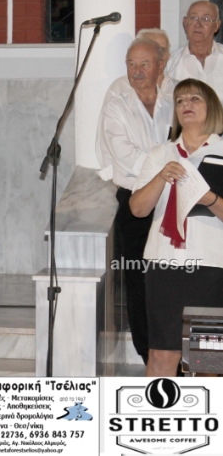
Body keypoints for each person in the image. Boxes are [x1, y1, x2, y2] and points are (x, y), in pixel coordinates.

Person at [130, 79, 223, 377]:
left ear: (212, 108)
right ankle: (157, 407)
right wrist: (160, 178)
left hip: (210, 265)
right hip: (164, 264)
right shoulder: (160, 153)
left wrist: (210, 199)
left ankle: (205, 409)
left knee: (205, 359)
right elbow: (138, 209)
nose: (186, 105)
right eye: (181, 100)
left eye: (195, 99)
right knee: (161, 354)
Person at [96, 37, 174, 366]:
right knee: (139, 280)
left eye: (144, 64)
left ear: (160, 65)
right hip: (135, 203)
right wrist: (163, 167)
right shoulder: (117, 106)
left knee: (173, 278)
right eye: (131, 64)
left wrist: (169, 168)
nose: (137, 71)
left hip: (174, 199)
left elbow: (186, 147)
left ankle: (175, 353)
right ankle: (147, 355)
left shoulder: (176, 100)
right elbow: (125, 156)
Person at [166, 1, 223, 100]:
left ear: (217, 25)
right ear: (185, 23)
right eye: (193, 18)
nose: (198, 24)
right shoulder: (170, 64)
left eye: (206, 19)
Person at [101, 28, 173, 105]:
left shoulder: (177, 87)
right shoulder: (120, 87)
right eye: (150, 49)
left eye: (163, 49)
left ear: (168, 55)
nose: (159, 54)